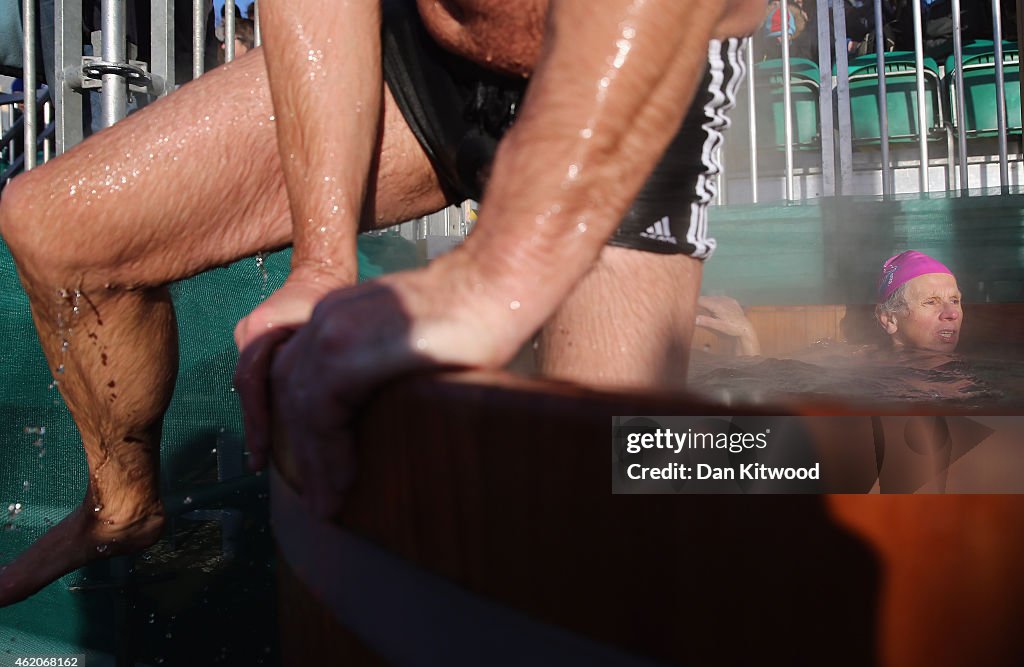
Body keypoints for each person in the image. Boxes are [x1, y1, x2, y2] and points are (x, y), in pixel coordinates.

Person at [0, 0, 766, 606]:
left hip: (640, 55)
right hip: (428, 57)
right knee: (59, 233)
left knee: (613, 504)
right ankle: (124, 506)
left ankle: (832, 469)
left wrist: (500, 269)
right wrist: (322, 261)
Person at [696, 250, 963, 355]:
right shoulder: (857, 366)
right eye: (931, 302)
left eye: (955, 300)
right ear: (889, 319)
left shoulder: (985, 367)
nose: (951, 313)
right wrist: (746, 336)